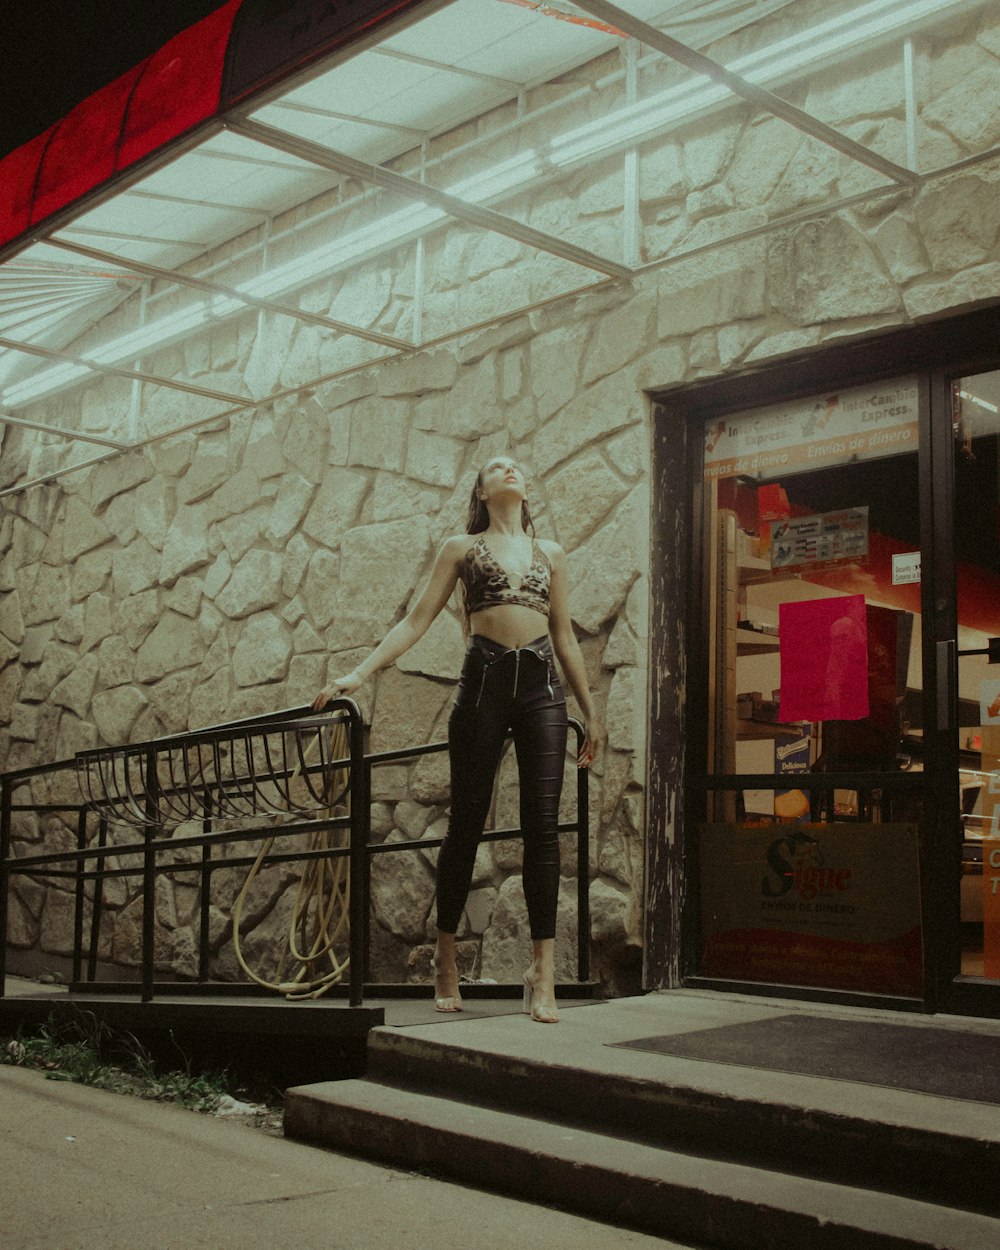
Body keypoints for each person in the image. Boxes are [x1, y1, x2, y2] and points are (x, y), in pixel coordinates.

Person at [313, 455, 601, 1023]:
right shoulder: (460, 548)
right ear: (481, 489)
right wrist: (359, 673)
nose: (511, 470)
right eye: (497, 467)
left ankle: (542, 972)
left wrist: (592, 712)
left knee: (543, 825)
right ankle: (445, 959)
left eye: (518, 466)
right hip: (484, 685)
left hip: (543, 688)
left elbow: (565, 637)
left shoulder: (553, 555)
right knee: (466, 822)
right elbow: (416, 620)